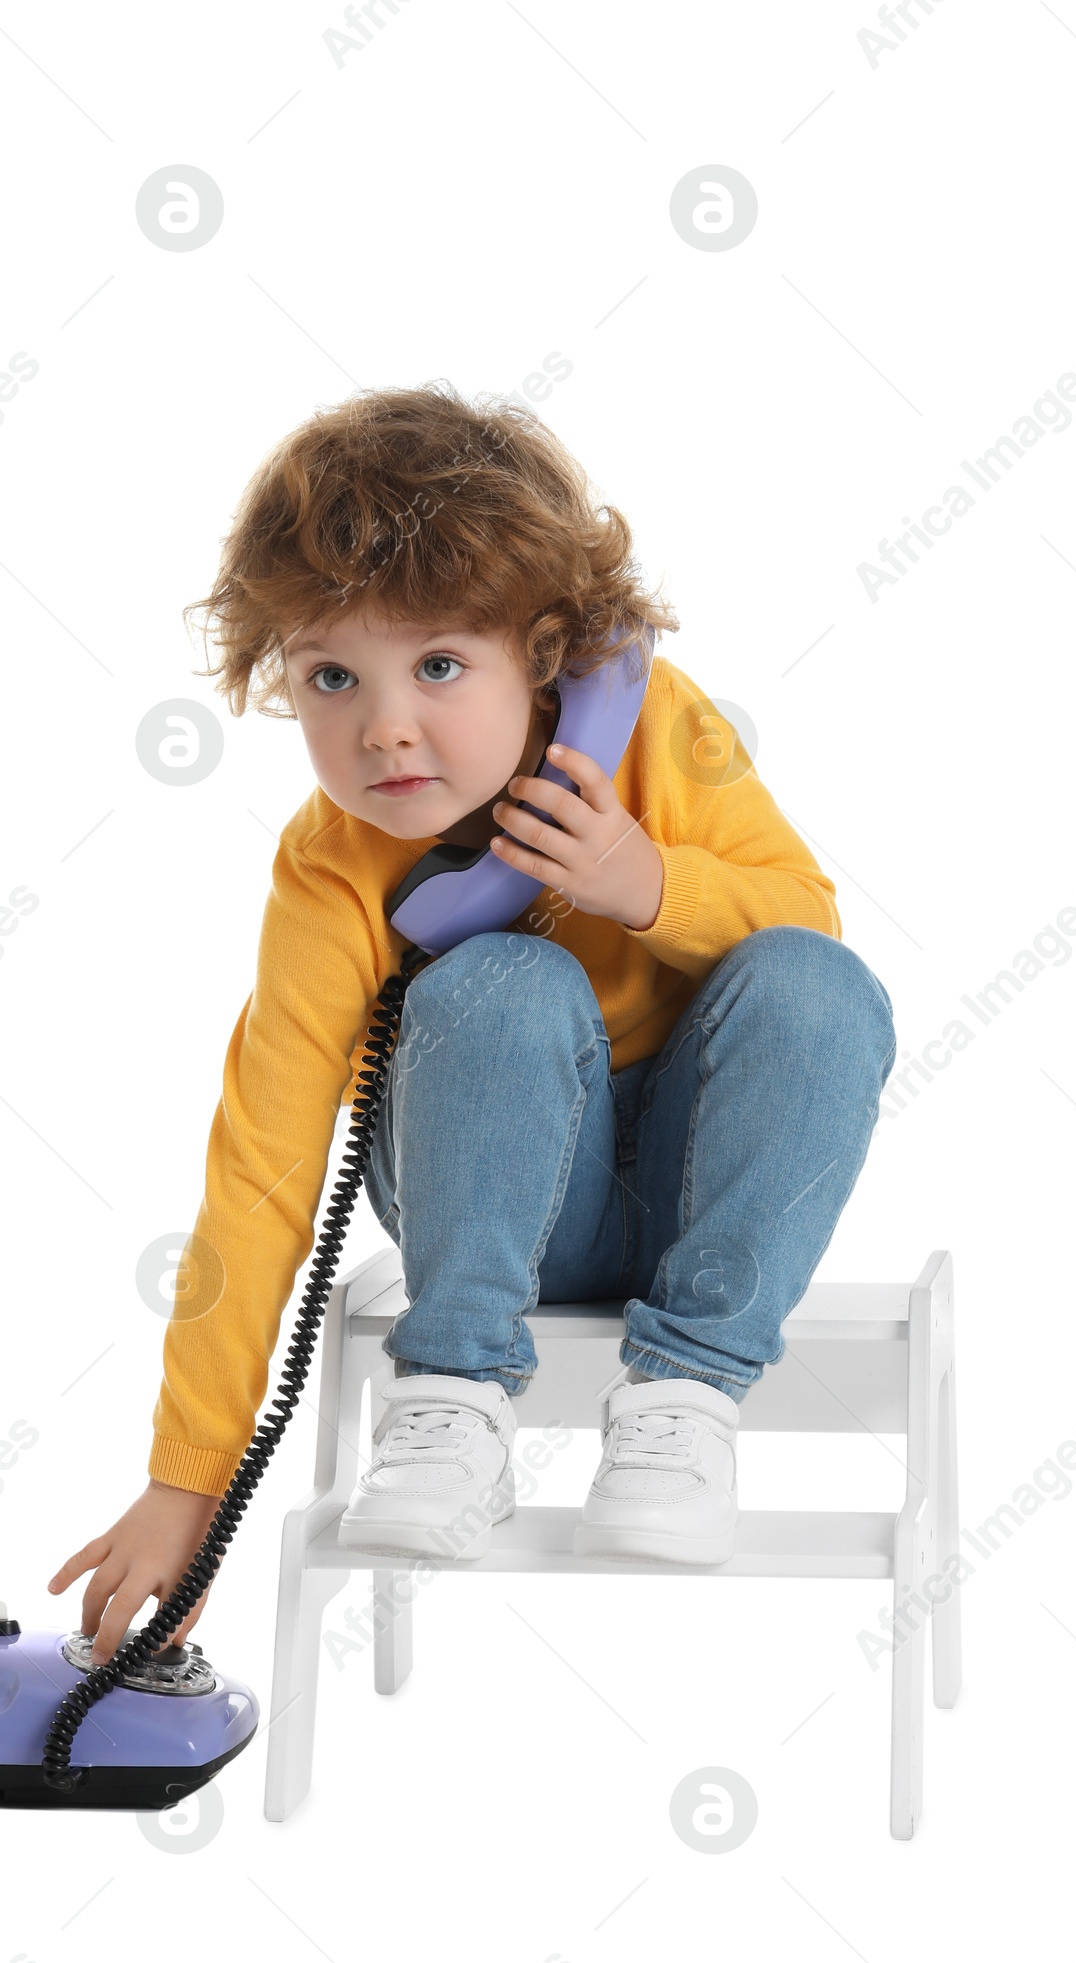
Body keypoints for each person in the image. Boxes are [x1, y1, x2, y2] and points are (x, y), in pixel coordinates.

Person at [50, 381, 897, 1659]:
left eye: (439, 664)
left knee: (819, 984)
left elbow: (805, 932)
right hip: (494, 1217)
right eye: (331, 675)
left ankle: (685, 1400)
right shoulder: (332, 868)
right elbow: (265, 1162)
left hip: (702, 1205)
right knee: (498, 983)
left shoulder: (659, 734)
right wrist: (192, 1480)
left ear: (551, 654)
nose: (383, 728)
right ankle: (450, 1397)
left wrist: (642, 883)